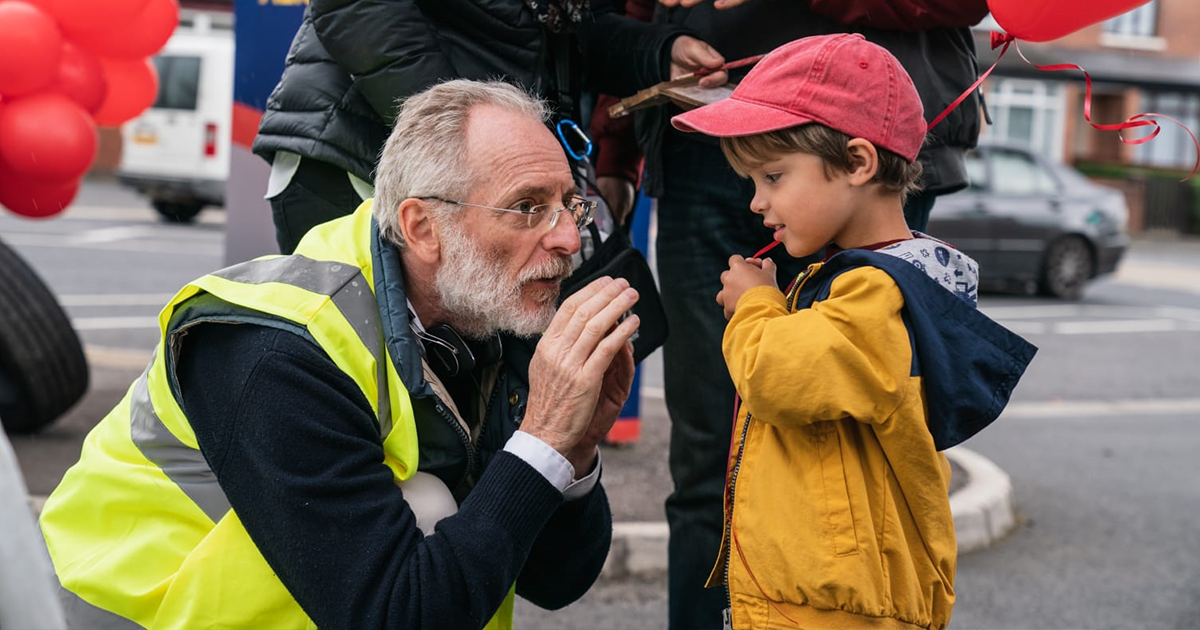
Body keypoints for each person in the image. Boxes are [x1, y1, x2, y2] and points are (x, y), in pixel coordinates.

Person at [39, 80, 643, 630]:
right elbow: (395, 615)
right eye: (527, 207)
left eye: (570, 203)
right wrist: (539, 438)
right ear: (422, 228)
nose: (567, 237)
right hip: (139, 614)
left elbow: (554, 581)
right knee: (426, 503)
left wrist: (573, 445)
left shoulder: (483, 303)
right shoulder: (281, 348)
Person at [638, 2, 991, 626]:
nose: (757, 203)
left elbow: (781, 374)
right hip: (809, 595)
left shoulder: (885, 292)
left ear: (858, 163)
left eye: (773, 176)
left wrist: (754, 307)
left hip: (835, 608)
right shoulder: (861, 277)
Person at [253, 0, 726, 255]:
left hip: (478, 182)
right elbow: (357, 9)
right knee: (359, 389)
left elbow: (579, 33)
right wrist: (462, 135)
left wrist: (658, 52)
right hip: (357, 157)